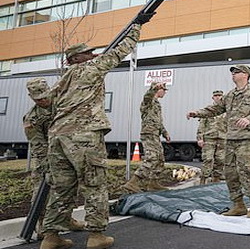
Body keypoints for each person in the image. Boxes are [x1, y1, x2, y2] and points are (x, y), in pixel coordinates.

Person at [41, 14, 149, 249]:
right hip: (84, 136)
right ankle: (96, 235)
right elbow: (121, 51)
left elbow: (46, 102)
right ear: (75, 58)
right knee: (94, 184)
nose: (93, 55)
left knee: (61, 187)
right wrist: (137, 27)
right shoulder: (89, 68)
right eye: (87, 53)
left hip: (58, 136)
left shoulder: (63, 79)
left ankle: (50, 237)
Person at [187, 65, 250, 218]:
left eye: (236, 72)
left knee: (247, 171)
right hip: (230, 138)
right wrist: (196, 113)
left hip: (248, 138)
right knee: (230, 173)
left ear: (246, 75)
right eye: (232, 72)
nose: (233, 74)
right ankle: (238, 205)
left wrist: (248, 119)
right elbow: (215, 109)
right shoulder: (230, 95)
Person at [23, 78, 85, 239]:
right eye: (39, 99)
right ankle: (43, 226)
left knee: (70, 188)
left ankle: (66, 218)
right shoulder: (32, 118)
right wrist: (47, 165)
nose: (43, 101)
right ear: (32, 98)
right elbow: (38, 145)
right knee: (41, 192)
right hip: (46, 156)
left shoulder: (62, 104)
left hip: (67, 152)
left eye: (45, 96)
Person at [124, 82, 171, 192]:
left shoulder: (157, 105)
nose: (164, 92)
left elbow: (158, 122)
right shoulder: (148, 102)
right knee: (152, 157)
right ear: (157, 90)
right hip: (148, 134)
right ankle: (133, 182)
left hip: (155, 134)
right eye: (163, 90)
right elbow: (147, 96)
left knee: (160, 159)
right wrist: (153, 88)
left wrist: (165, 133)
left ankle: (153, 183)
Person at [196, 90, 227, 185]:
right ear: (213, 97)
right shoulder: (208, 110)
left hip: (222, 138)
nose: (218, 97)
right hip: (209, 138)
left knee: (220, 160)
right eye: (216, 96)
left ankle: (216, 180)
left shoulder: (227, 111)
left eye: (220, 96)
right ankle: (203, 179)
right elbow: (202, 125)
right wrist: (200, 138)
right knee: (208, 159)